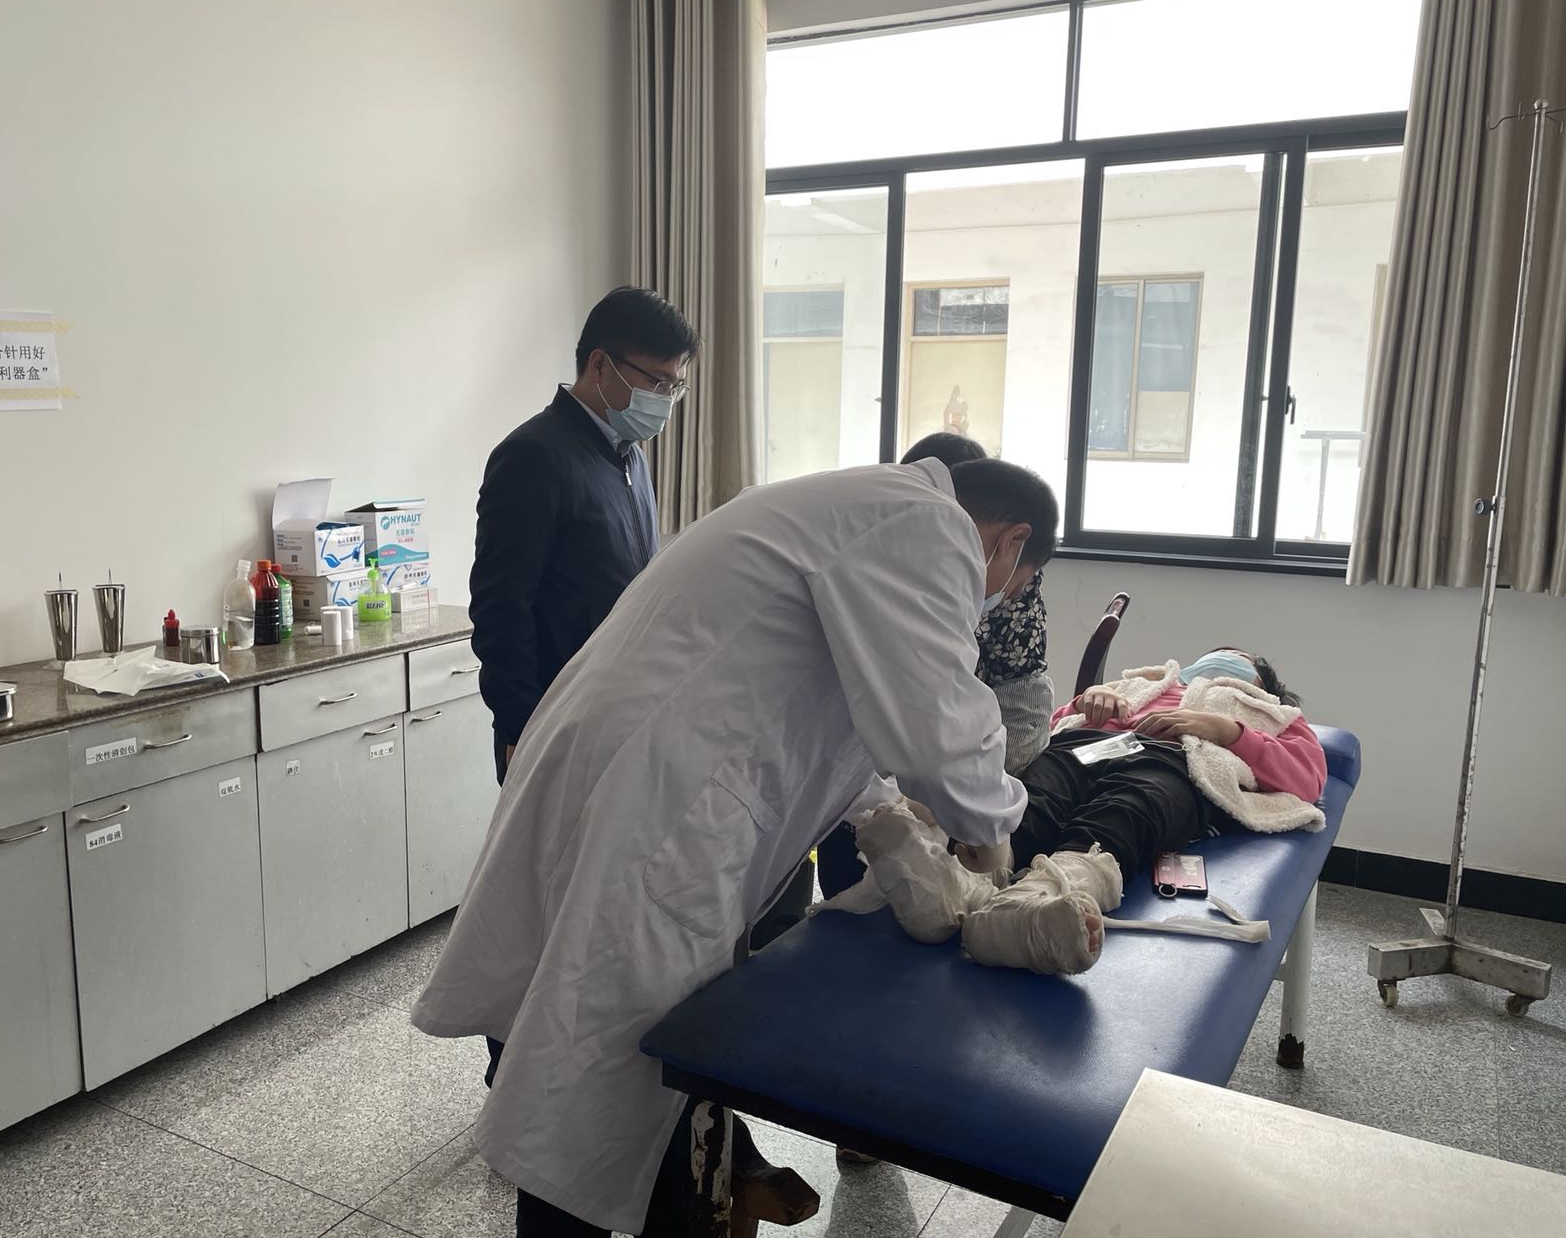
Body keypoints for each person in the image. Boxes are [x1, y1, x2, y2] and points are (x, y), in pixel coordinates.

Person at [412, 457, 1058, 1236]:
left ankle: (661, 1201)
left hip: (614, 761)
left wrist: (891, 814)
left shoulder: (849, 503)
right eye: (1012, 585)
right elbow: (940, 720)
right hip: (662, 803)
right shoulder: (930, 526)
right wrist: (992, 832)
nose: (994, 599)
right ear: (1010, 541)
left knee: (586, 1038)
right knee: (600, 1064)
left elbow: (826, 709)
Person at [821, 648, 1327, 976]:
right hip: (1087, 746)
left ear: (1258, 684)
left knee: (1127, 811)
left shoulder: (1267, 713)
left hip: (1176, 763)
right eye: (1218, 653)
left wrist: (1227, 730)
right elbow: (1055, 723)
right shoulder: (1145, 682)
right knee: (1036, 798)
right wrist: (1089, 701)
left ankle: (1037, 903)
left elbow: (1308, 777)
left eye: (1238, 660)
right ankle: (961, 889)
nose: (1222, 660)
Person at [469, 286, 699, 785]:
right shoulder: (533, 456)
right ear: (600, 364)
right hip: (554, 725)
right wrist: (522, 728)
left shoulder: (629, 456)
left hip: (617, 714)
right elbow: (499, 609)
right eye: (656, 382)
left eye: (675, 387)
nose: (664, 400)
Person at [816, 432, 1055, 901]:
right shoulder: (903, 558)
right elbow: (924, 717)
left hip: (978, 757)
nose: (1002, 597)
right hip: (906, 760)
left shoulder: (997, 575)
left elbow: (983, 714)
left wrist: (978, 807)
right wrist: (983, 824)